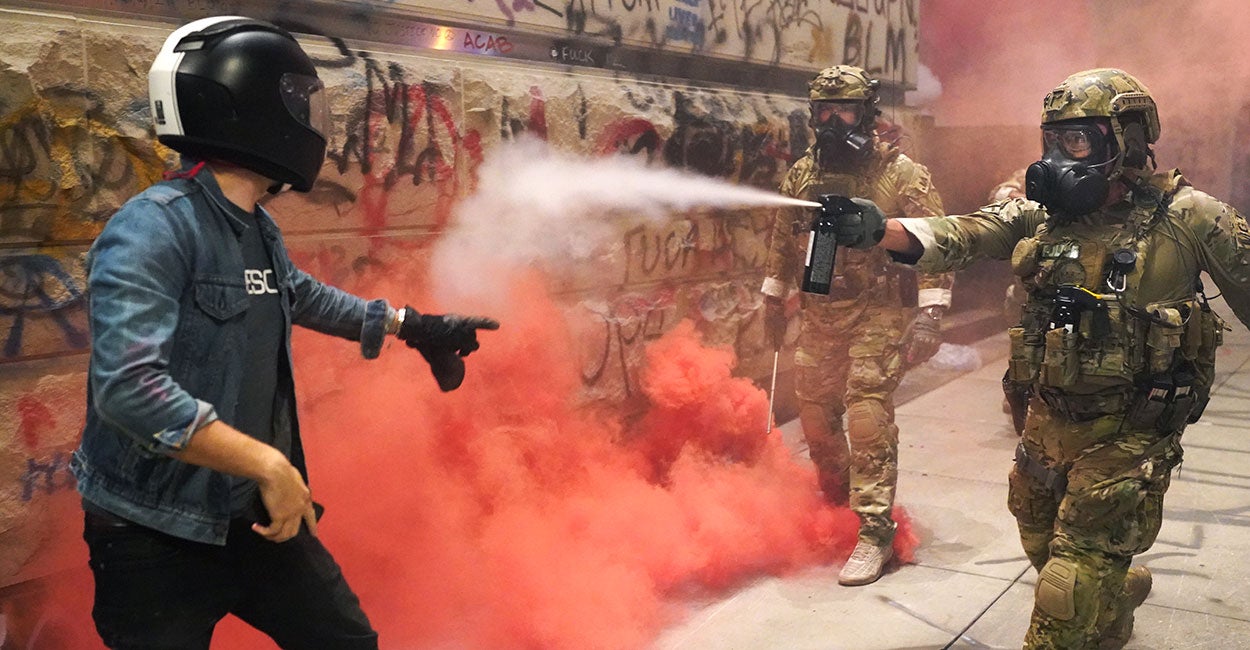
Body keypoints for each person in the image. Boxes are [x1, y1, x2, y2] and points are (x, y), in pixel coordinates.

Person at [70, 17, 498, 649]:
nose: (309, 121)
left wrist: (412, 325)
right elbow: (127, 390)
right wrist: (267, 463)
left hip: (252, 514)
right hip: (153, 535)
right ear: (247, 107)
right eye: (297, 101)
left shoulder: (254, 226)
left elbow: (297, 294)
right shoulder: (153, 228)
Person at [839, 68, 1250, 648]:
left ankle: (1089, 597)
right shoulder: (1044, 215)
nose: (1057, 157)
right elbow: (964, 233)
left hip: (1132, 429)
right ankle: (1113, 600)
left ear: (1128, 140)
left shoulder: (1191, 217)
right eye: (1051, 140)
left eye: (1076, 140)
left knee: (1064, 588)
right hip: (1050, 416)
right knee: (1039, 537)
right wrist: (882, 230)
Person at [760, 65, 954, 586]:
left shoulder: (901, 174)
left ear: (866, 114)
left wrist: (931, 312)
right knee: (816, 417)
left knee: (867, 413)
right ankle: (837, 507)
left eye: (844, 110)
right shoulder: (803, 174)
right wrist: (773, 301)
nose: (832, 122)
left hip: (879, 310)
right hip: (821, 311)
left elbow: (936, 240)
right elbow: (782, 241)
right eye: (823, 111)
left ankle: (874, 531)